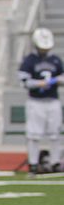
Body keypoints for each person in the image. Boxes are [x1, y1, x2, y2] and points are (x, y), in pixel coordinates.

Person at [18, 27, 62, 175]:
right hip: (36, 101)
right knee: (33, 134)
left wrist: (57, 80)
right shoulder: (29, 61)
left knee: (55, 133)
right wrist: (39, 83)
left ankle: (56, 162)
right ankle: (33, 164)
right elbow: (24, 81)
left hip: (53, 100)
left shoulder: (55, 60)